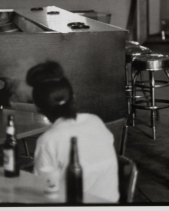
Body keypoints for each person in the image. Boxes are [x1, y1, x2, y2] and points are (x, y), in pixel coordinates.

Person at [27, 61, 119, 203]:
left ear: (38, 108)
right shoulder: (95, 121)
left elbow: (43, 192)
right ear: (73, 97)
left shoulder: (48, 140)